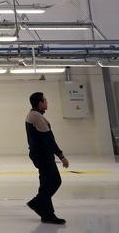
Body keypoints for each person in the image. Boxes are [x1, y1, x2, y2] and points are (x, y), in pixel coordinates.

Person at [25, 91, 69, 224]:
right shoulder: (36, 117)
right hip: (42, 155)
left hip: (40, 154)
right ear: (39, 103)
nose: (47, 102)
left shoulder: (34, 115)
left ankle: (47, 214)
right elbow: (48, 139)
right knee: (55, 181)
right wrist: (61, 156)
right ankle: (36, 202)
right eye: (45, 100)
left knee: (46, 184)